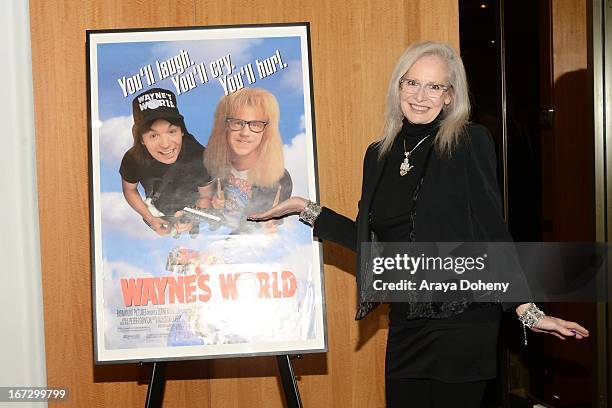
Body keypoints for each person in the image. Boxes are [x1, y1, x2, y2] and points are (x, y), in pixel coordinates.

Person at [249, 41, 589, 407]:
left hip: (463, 321)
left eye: (434, 87)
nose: (421, 96)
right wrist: (307, 209)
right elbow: (375, 245)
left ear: (449, 96)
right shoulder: (378, 155)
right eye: (412, 83)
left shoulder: (469, 142)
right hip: (407, 321)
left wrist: (524, 308)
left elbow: (492, 231)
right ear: (398, 88)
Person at [119, 87, 212, 236]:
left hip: (192, 209)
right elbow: (129, 189)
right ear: (141, 139)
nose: (166, 144)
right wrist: (149, 217)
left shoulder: (198, 154)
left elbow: (206, 195)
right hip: (159, 210)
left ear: (181, 130)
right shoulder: (132, 159)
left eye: (172, 131)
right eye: (153, 135)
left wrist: (195, 217)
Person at [202, 87, 292, 234]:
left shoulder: (281, 180)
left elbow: (273, 227)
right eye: (237, 123)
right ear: (224, 126)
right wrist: (214, 208)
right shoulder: (208, 168)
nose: (245, 133)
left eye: (255, 124)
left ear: (267, 131)